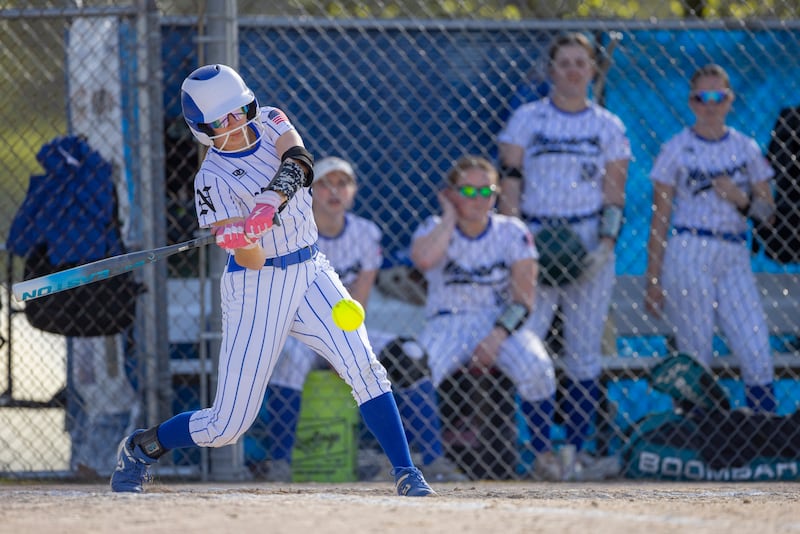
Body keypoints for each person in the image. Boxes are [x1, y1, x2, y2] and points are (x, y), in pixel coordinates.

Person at [109, 64, 435, 497]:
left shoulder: (270, 118)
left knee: (364, 366)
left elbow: (298, 159)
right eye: (222, 120)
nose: (236, 123)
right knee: (228, 424)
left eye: (240, 110)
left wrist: (269, 201)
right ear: (202, 128)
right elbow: (253, 259)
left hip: (312, 270)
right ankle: (142, 447)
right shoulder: (211, 180)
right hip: (257, 287)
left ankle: (406, 472)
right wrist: (242, 235)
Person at [249, 156, 465, 483]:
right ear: (308, 192)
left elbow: (357, 301)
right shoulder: (291, 231)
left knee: (411, 354)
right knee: (290, 358)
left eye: (343, 184)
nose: (334, 191)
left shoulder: (366, 233)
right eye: (324, 183)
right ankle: (279, 462)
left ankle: (433, 459)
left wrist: (342, 345)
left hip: (347, 326)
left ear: (353, 192)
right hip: (299, 329)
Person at [496, 32, 631, 479]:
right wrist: (519, 244)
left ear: (593, 69)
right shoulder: (526, 119)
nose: (573, 70)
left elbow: (615, 193)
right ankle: (538, 453)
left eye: (581, 62)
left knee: (584, 354)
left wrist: (605, 247)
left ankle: (575, 451)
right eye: (565, 63)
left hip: (587, 239)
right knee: (528, 347)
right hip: (537, 237)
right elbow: (509, 186)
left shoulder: (608, 125)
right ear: (552, 70)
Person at [409, 155, 562, 481]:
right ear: (451, 193)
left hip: (498, 320)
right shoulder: (432, 228)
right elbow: (423, 259)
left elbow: (524, 301)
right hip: (447, 320)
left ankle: (542, 454)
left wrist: (497, 336)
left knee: (536, 365)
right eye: (467, 191)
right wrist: (449, 217)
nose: (478, 200)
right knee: (418, 368)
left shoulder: (512, 231)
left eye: (486, 192)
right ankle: (433, 460)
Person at [644, 63, 776, 412]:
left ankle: (765, 436)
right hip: (689, 247)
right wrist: (653, 279)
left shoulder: (746, 148)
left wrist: (742, 200)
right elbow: (660, 219)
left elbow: (769, 214)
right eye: (702, 97)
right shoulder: (676, 147)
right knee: (695, 353)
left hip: (733, 252)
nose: (711, 104)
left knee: (756, 348)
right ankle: (697, 442)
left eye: (718, 96)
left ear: (730, 100)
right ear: (691, 102)